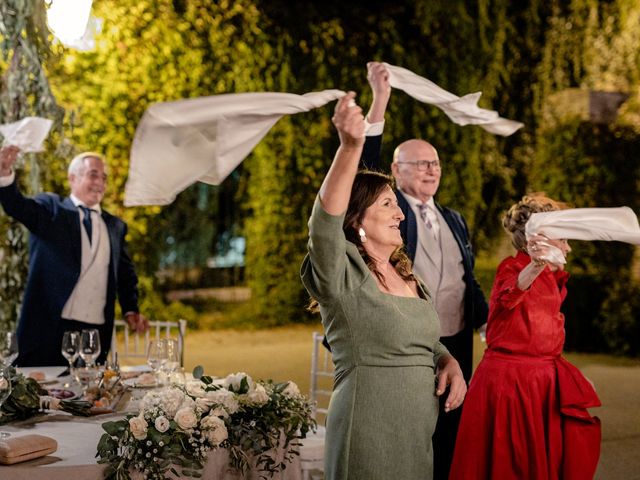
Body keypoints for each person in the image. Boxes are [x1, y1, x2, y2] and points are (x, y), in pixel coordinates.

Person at [301, 92, 466, 480]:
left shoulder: (409, 276)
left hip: (416, 435)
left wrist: (447, 360)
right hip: (368, 431)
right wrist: (351, 146)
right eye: (387, 205)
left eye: (396, 203)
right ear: (357, 218)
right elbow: (323, 222)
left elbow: (425, 338)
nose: (398, 213)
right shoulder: (343, 273)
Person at [361, 61, 489, 479]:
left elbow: (464, 277)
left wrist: (486, 319)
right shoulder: (393, 215)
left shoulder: (454, 218)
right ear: (396, 172)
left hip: (458, 338)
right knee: (416, 428)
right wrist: (380, 100)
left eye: (434, 163)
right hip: (412, 340)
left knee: (453, 428)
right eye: (419, 164)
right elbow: (364, 166)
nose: (430, 169)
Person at [449, 193, 601, 480]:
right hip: (510, 387)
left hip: (540, 383)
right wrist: (535, 263)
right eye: (563, 240)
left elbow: (543, 336)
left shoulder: (553, 279)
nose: (568, 248)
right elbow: (510, 295)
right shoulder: (515, 267)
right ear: (542, 239)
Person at [0, 145, 148, 367]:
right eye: (93, 174)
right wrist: (4, 175)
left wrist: (130, 309)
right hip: (50, 329)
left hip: (94, 332)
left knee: (89, 397)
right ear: (72, 178)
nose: (100, 182)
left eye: (104, 177)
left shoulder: (115, 225)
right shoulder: (51, 209)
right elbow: (17, 207)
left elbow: (125, 274)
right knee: (44, 395)